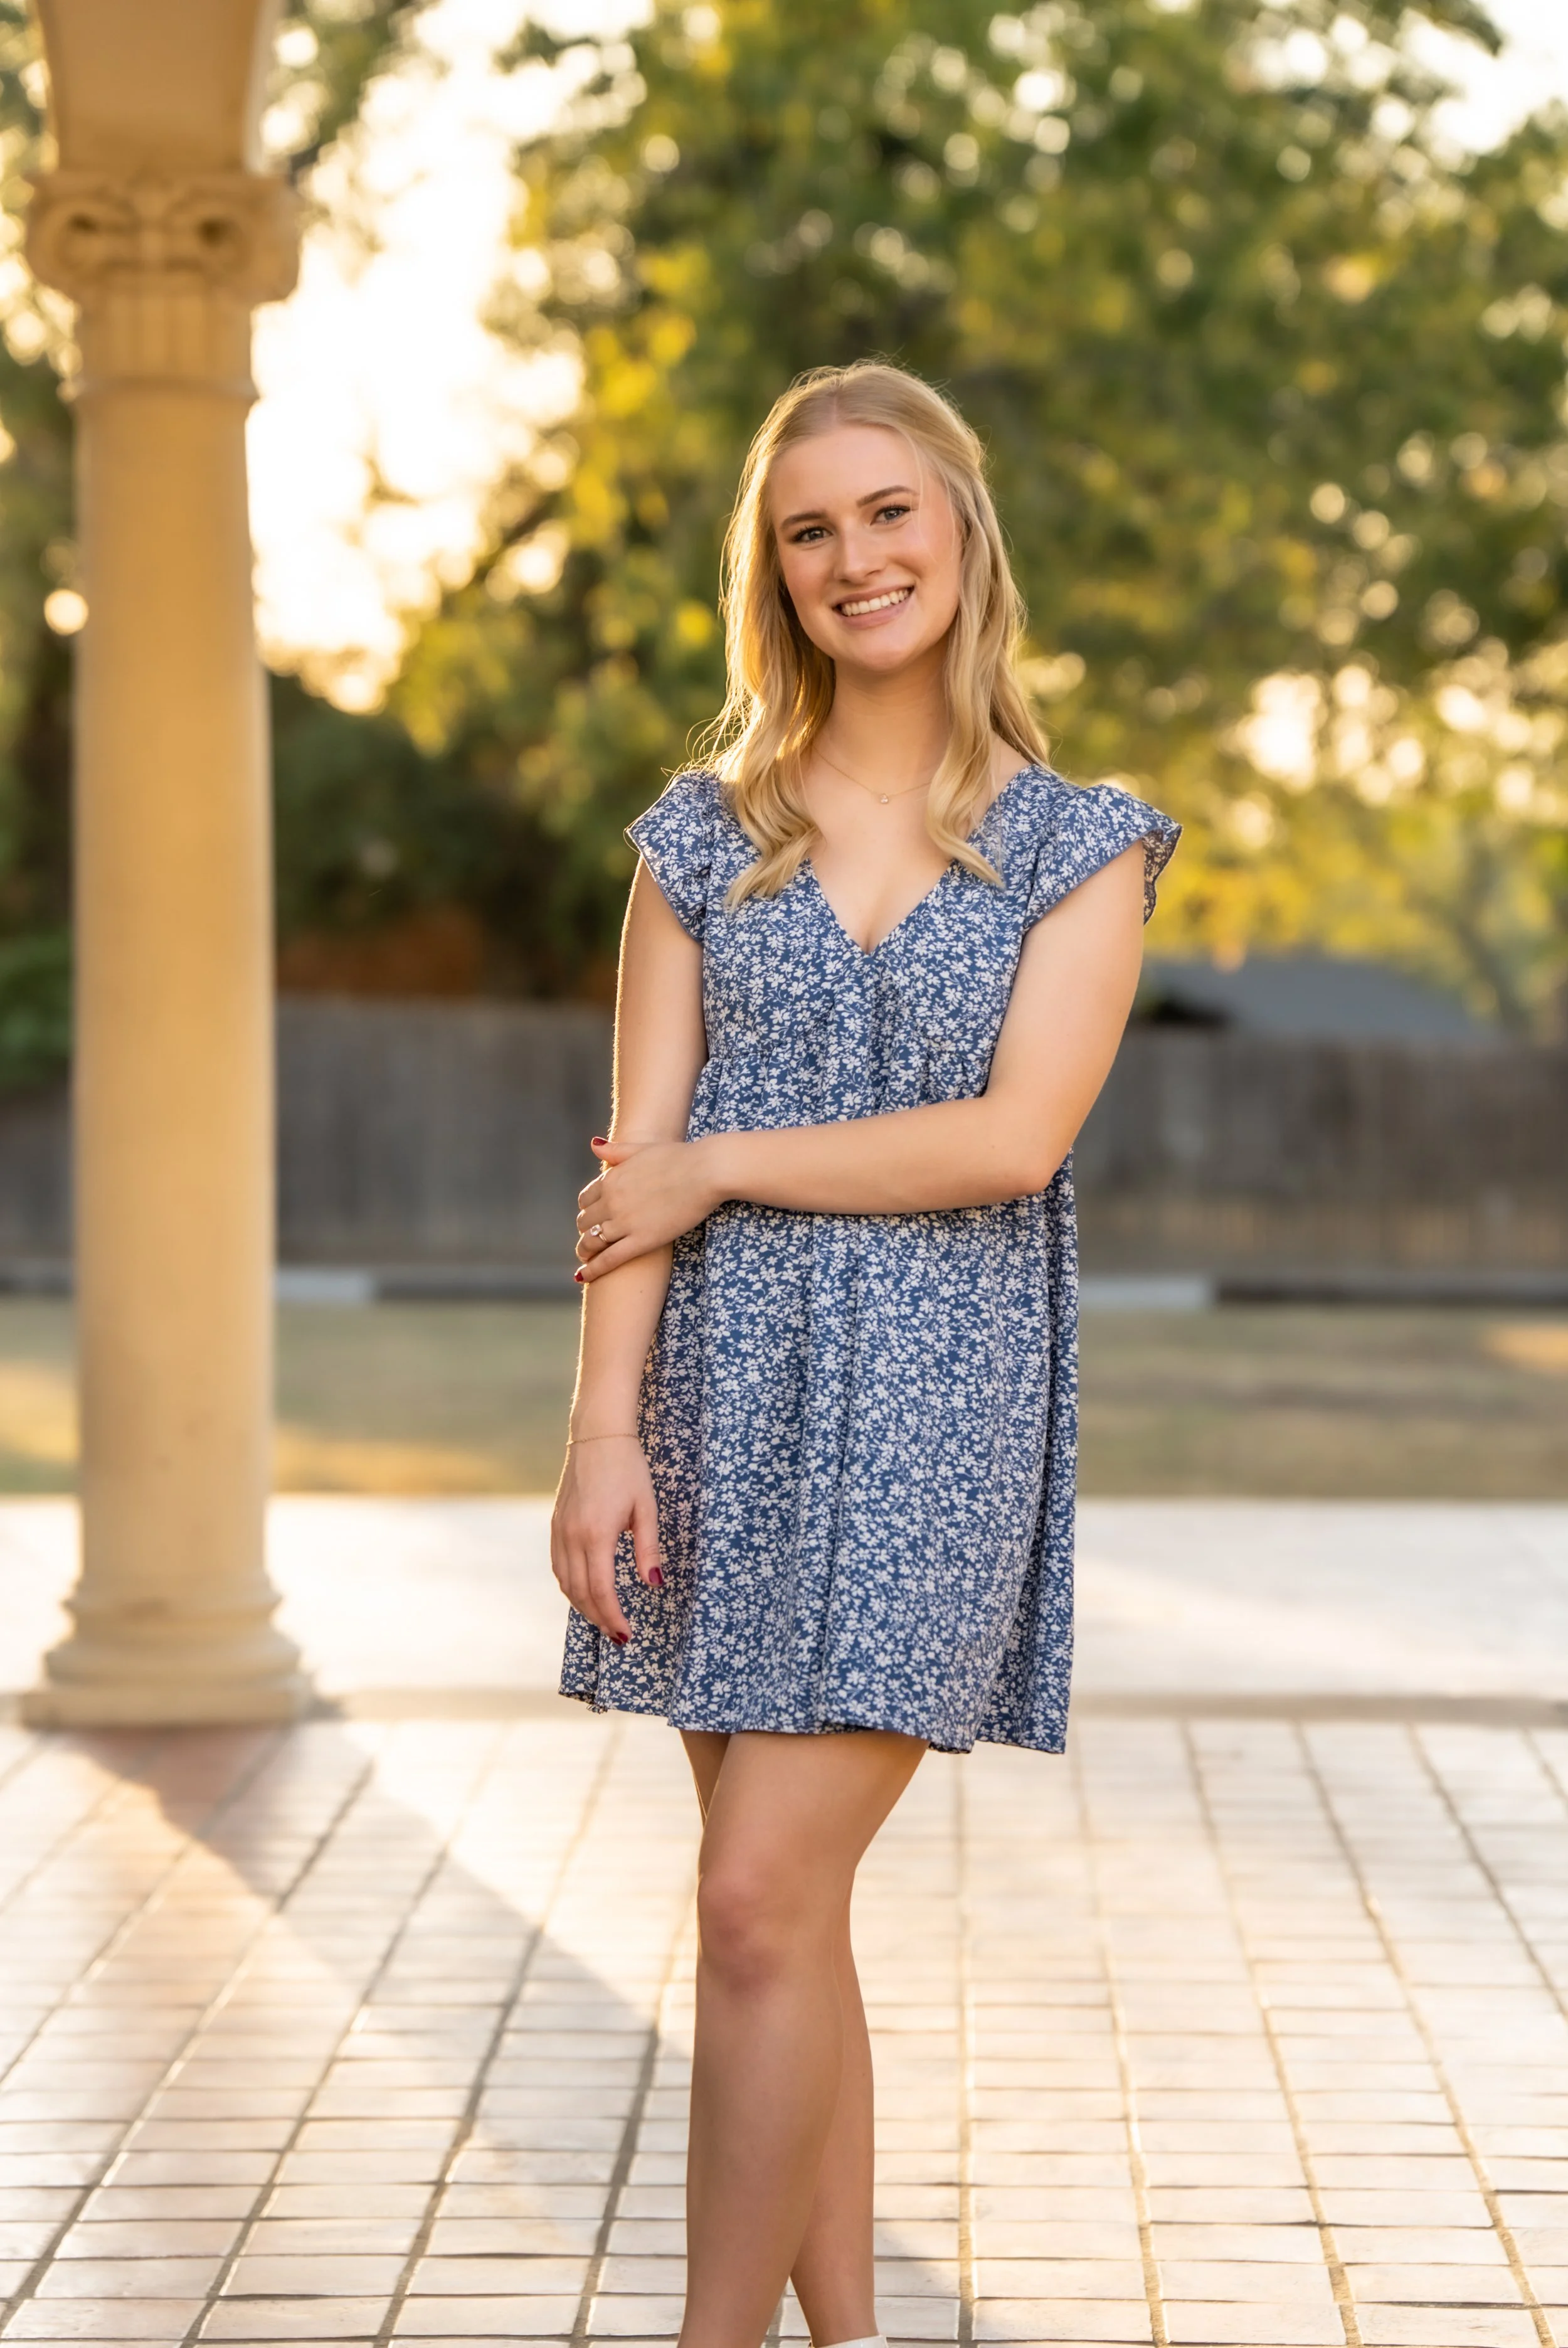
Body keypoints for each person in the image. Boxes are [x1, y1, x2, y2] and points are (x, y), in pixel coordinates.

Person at [550, 360, 1178, 2348]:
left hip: (938, 1415)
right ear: (773, 571)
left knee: (750, 1902)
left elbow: (1013, 1139)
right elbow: (632, 1165)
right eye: (808, 529)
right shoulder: (696, 837)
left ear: (960, 528)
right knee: (783, 1925)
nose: (853, 558)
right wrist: (599, 1432)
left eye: (887, 511)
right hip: (712, 1409)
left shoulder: (1079, 843)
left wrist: (723, 1161)